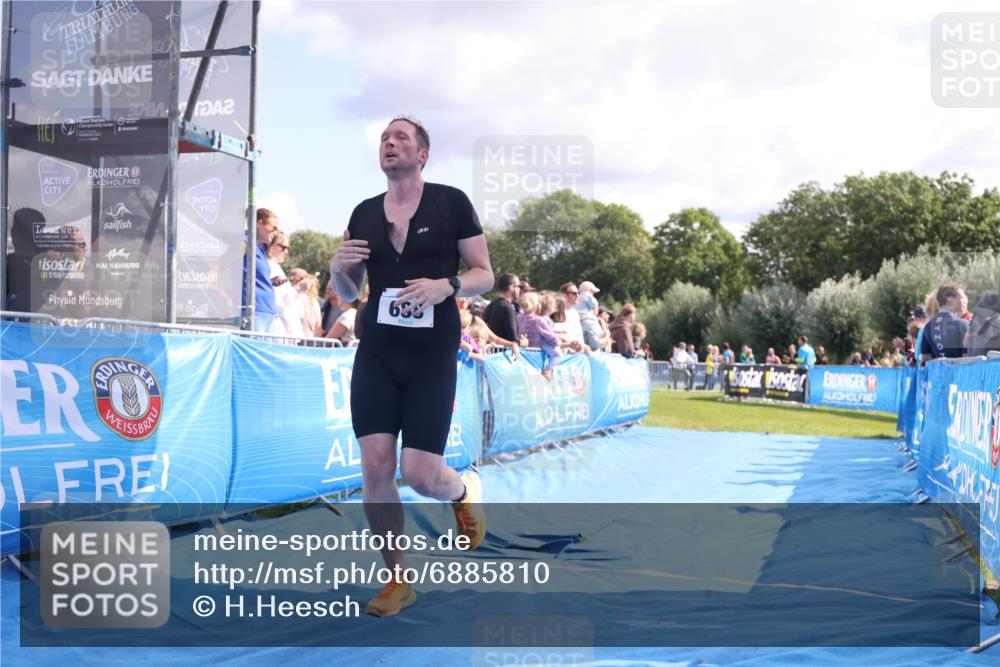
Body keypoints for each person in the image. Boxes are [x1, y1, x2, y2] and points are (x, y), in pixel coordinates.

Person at [330, 116, 493, 617]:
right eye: (384, 138)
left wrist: (448, 285)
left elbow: (483, 274)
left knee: (420, 473)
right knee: (376, 467)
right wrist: (338, 269)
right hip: (377, 350)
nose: (389, 143)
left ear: (423, 154)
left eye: (401, 137)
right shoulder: (363, 212)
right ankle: (397, 580)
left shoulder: (451, 203)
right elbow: (348, 293)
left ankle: (463, 490)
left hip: (431, 353)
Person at [244, 208, 279, 332]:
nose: (276, 233)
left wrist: (270, 282)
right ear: (259, 224)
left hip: (267, 312)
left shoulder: (260, 249)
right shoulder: (244, 244)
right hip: (254, 311)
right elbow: (216, 270)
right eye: (273, 228)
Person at [919, 283, 969, 363]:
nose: (965, 301)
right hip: (957, 374)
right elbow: (967, 357)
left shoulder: (928, 326)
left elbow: (925, 358)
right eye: (961, 297)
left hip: (937, 374)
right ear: (950, 299)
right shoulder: (963, 325)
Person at [267, 231, 302, 336]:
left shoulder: (275, 266)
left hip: (283, 324)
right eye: (282, 247)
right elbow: (279, 299)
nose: (286, 251)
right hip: (276, 323)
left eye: (287, 248)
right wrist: (298, 289)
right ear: (270, 245)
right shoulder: (268, 265)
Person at [483, 273, 521, 343]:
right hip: (505, 351)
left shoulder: (492, 304)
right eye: (519, 286)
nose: (519, 289)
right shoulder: (507, 307)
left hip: (494, 350)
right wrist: (524, 342)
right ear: (511, 287)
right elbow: (513, 339)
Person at [288, 268, 322, 337]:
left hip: (297, 338)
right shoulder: (314, 301)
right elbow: (318, 326)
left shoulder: (295, 298)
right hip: (311, 339)